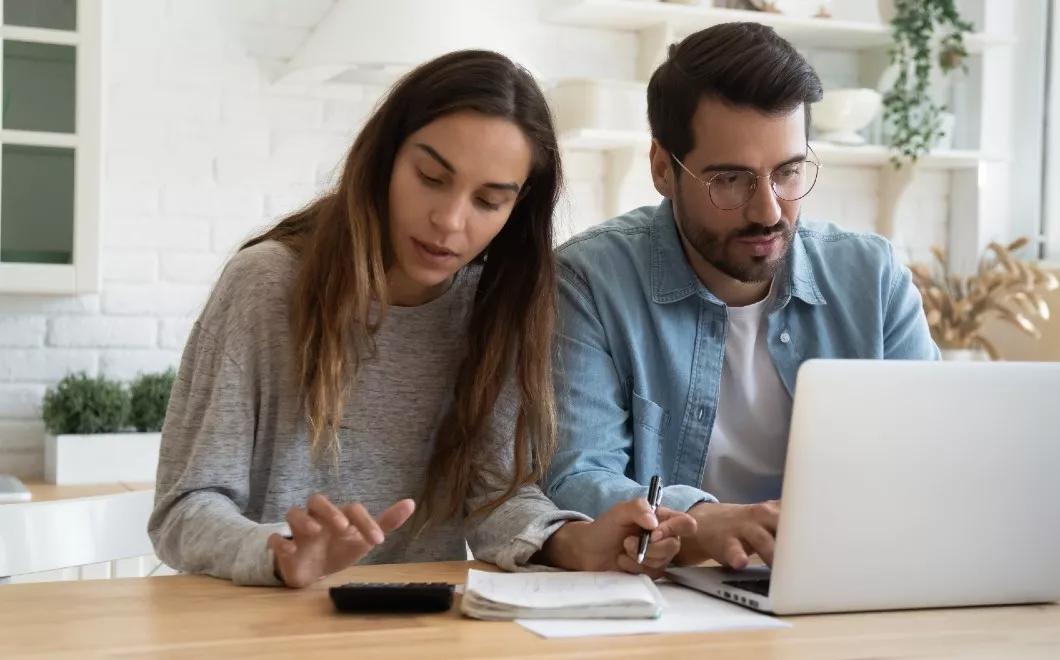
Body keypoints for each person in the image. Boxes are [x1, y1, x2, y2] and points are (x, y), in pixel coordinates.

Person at [148, 50, 694, 588]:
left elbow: (493, 498)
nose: (449, 221)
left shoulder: (496, 306)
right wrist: (281, 552)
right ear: (386, 158)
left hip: (417, 627)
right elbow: (185, 508)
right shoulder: (265, 285)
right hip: (259, 629)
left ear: (517, 207)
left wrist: (577, 541)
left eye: (488, 200)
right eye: (432, 177)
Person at [545, 23, 939, 570]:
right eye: (730, 180)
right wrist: (703, 522)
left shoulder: (873, 278)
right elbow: (575, 477)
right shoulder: (588, 280)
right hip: (667, 597)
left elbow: (934, 458)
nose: (769, 211)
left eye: (789, 172)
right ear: (663, 169)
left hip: (848, 577)